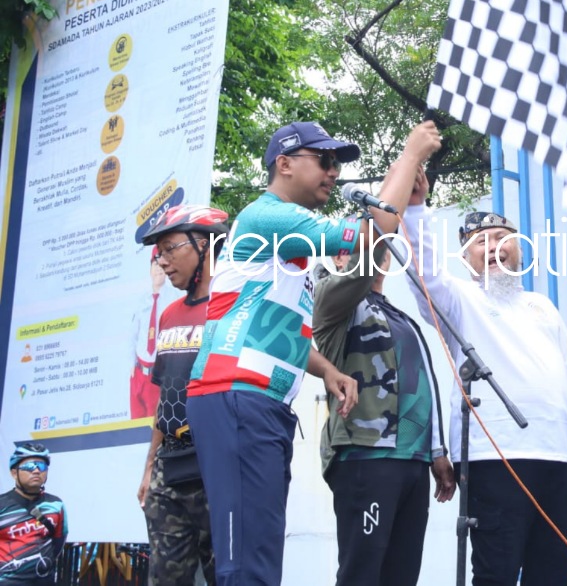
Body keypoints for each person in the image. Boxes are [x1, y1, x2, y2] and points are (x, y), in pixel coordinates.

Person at [186, 120, 440, 585]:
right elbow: (369, 241)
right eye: (323, 160)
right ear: (283, 164)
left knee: (259, 556)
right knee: (248, 566)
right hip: (238, 396)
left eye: (337, 164)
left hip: (260, 404)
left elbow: (280, 333)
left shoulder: (290, 254)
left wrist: (326, 370)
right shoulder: (270, 217)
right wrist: (408, 157)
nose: (333, 173)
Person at [400, 169, 567, 586]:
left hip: (557, 457)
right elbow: (424, 270)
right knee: (496, 572)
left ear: (520, 249)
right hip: (494, 457)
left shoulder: (543, 306)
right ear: (465, 259)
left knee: (552, 574)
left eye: (503, 239)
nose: (494, 247)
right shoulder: (460, 298)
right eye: (482, 241)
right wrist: (414, 208)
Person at [313, 240, 455, 586]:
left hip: (413, 458)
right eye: (353, 246)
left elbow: (423, 382)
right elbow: (361, 265)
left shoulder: (397, 313)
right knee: (361, 573)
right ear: (337, 256)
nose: (372, 254)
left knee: (402, 575)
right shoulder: (332, 299)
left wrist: (437, 452)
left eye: (379, 248)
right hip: (365, 454)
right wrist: (380, 222)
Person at [136, 204, 230, 585]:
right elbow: (164, 397)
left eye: (170, 248)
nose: (163, 261)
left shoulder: (233, 306)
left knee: (226, 574)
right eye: (159, 253)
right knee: (165, 577)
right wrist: (148, 466)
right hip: (169, 469)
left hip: (217, 465)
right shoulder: (170, 313)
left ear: (204, 244)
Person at [0, 443, 67, 584]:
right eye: (29, 466)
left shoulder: (56, 505)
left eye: (42, 467)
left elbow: (58, 542)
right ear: (14, 472)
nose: (36, 471)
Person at [130, 250, 169, 419]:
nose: (159, 269)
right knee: (134, 431)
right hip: (138, 374)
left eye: (163, 265)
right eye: (155, 264)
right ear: (150, 269)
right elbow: (133, 335)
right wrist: (131, 364)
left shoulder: (174, 298)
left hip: (158, 375)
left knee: (155, 430)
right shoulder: (141, 300)